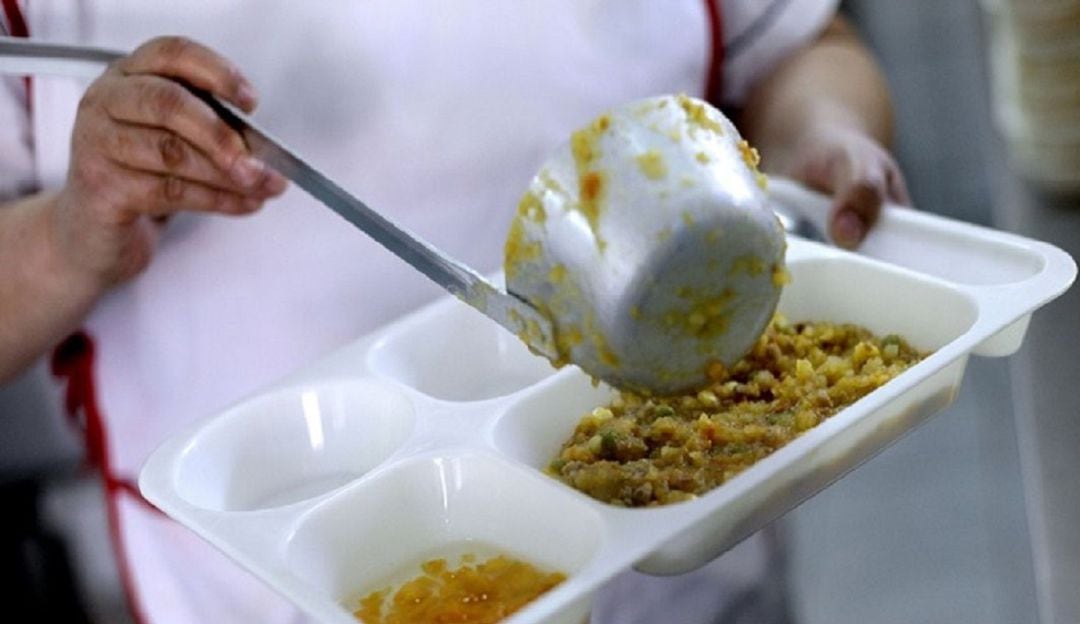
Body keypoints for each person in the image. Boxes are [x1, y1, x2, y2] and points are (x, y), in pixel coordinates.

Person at [0, 1, 909, 622]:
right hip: (274, 591)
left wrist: (823, 138)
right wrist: (71, 235)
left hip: (683, 564)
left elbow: (803, 48)